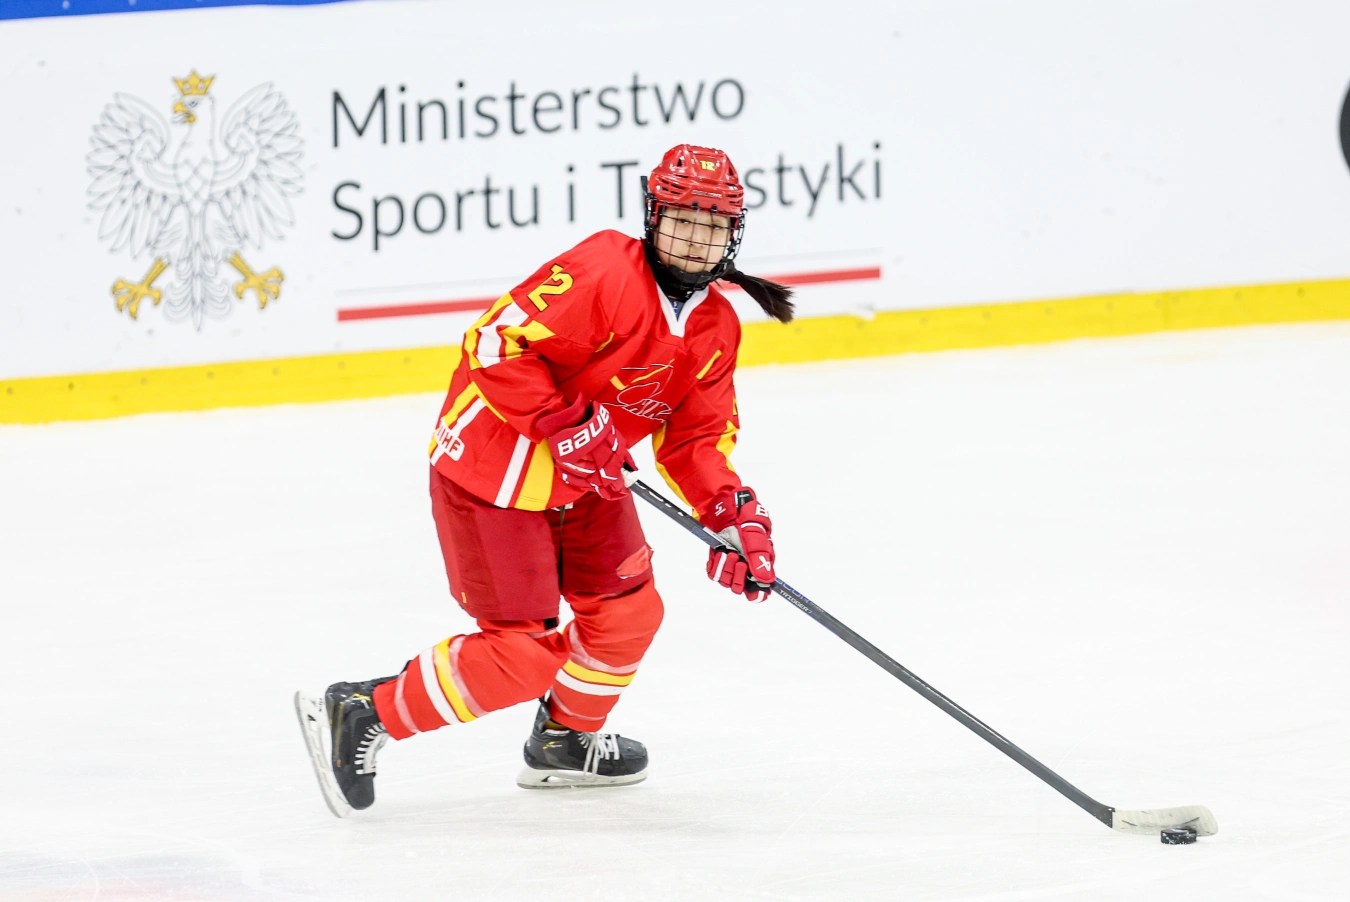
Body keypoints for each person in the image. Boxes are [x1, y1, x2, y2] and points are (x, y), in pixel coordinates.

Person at [295, 144, 795, 817]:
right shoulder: (604, 270)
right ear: (653, 216)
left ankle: (564, 740)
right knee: (522, 657)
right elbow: (494, 342)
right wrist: (566, 424)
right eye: (682, 219)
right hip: (494, 472)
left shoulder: (717, 327)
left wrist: (731, 515)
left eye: (712, 225)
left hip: (587, 482)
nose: (694, 239)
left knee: (628, 615)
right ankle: (365, 709)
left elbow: (696, 440)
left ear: (733, 234)